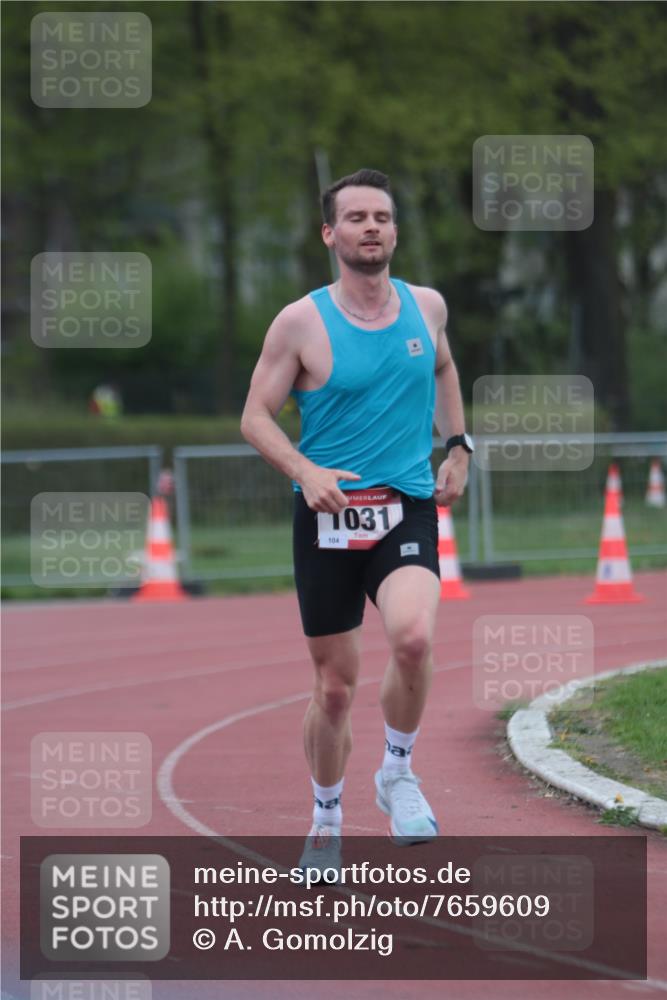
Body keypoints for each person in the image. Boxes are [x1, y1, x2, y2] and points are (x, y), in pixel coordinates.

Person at [241, 168, 472, 878]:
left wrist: (458, 444)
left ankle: (397, 773)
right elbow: (254, 417)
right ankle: (326, 818)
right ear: (330, 234)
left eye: (382, 216)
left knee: (411, 637)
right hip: (328, 517)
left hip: (402, 504)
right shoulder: (300, 322)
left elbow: (442, 368)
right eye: (356, 218)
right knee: (334, 688)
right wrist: (304, 472)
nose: (371, 227)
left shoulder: (425, 307)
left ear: (394, 230)